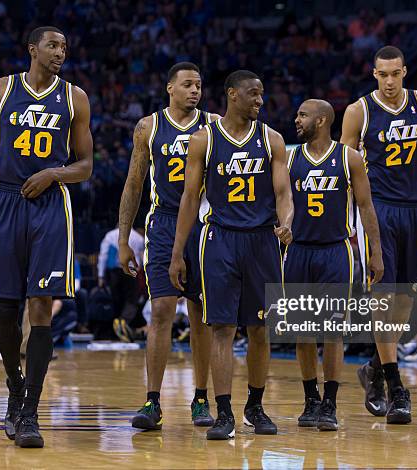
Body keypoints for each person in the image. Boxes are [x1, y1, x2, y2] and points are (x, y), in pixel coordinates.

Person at [0, 26, 93, 448]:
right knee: (4, 307)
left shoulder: (75, 98)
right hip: (5, 202)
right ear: (32, 49)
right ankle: (14, 386)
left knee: (41, 306)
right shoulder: (1, 90)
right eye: (53, 45)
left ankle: (31, 410)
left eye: (65, 47)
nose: (60, 52)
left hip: (51, 206)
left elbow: (86, 165)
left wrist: (55, 172)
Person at [169, 70, 294, 440]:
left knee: (259, 329)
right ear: (232, 95)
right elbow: (190, 199)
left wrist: (286, 221)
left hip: (262, 240)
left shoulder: (272, 139)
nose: (259, 100)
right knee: (221, 327)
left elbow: (285, 193)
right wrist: (178, 253)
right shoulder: (204, 140)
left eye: (262, 95)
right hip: (219, 239)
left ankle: (255, 406)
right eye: (253, 94)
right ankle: (223, 412)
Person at [341, 46, 417, 424]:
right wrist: (349, 223)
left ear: (405, 72)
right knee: (383, 298)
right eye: (382, 74)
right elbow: (344, 171)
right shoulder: (358, 112)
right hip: (377, 211)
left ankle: (372, 368)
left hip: (416, 210)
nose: (389, 81)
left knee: (404, 304)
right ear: (374, 74)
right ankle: (395, 386)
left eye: (395, 74)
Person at [118, 62, 220, 430]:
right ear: (170, 88)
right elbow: (133, 184)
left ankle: (201, 398)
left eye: (199, 85)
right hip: (162, 222)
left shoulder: (214, 125)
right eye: (188, 84)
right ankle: (152, 402)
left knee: (200, 315)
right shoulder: (149, 126)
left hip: (205, 224)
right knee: (161, 309)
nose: (195, 90)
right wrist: (123, 239)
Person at [286, 100, 383, 430]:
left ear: (322, 119)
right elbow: (280, 201)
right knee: (302, 333)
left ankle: (329, 403)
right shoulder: (290, 157)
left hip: (335, 251)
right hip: (298, 251)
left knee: (331, 332)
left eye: (303, 115)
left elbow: (367, 207)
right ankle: (310, 398)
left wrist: (376, 252)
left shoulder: (349, 157)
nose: (296, 120)